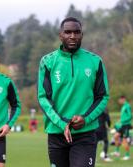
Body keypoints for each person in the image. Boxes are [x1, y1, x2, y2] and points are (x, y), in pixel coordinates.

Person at [37, 17, 109, 167]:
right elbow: (43, 98)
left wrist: (86, 119)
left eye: (77, 32)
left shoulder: (95, 61)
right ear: (60, 35)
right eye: (68, 32)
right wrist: (62, 123)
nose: (72, 36)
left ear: (82, 35)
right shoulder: (48, 62)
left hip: (85, 134)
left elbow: (102, 96)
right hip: (57, 134)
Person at [111, 95, 132, 160]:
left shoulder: (127, 106)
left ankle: (127, 155)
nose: (119, 101)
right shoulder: (123, 106)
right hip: (122, 125)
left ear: (123, 99)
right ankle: (117, 152)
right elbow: (124, 116)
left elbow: (130, 116)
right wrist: (119, 121)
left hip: (126, 125)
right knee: (115, 136)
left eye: (120, 100)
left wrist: (123, 120)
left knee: (124, 141)